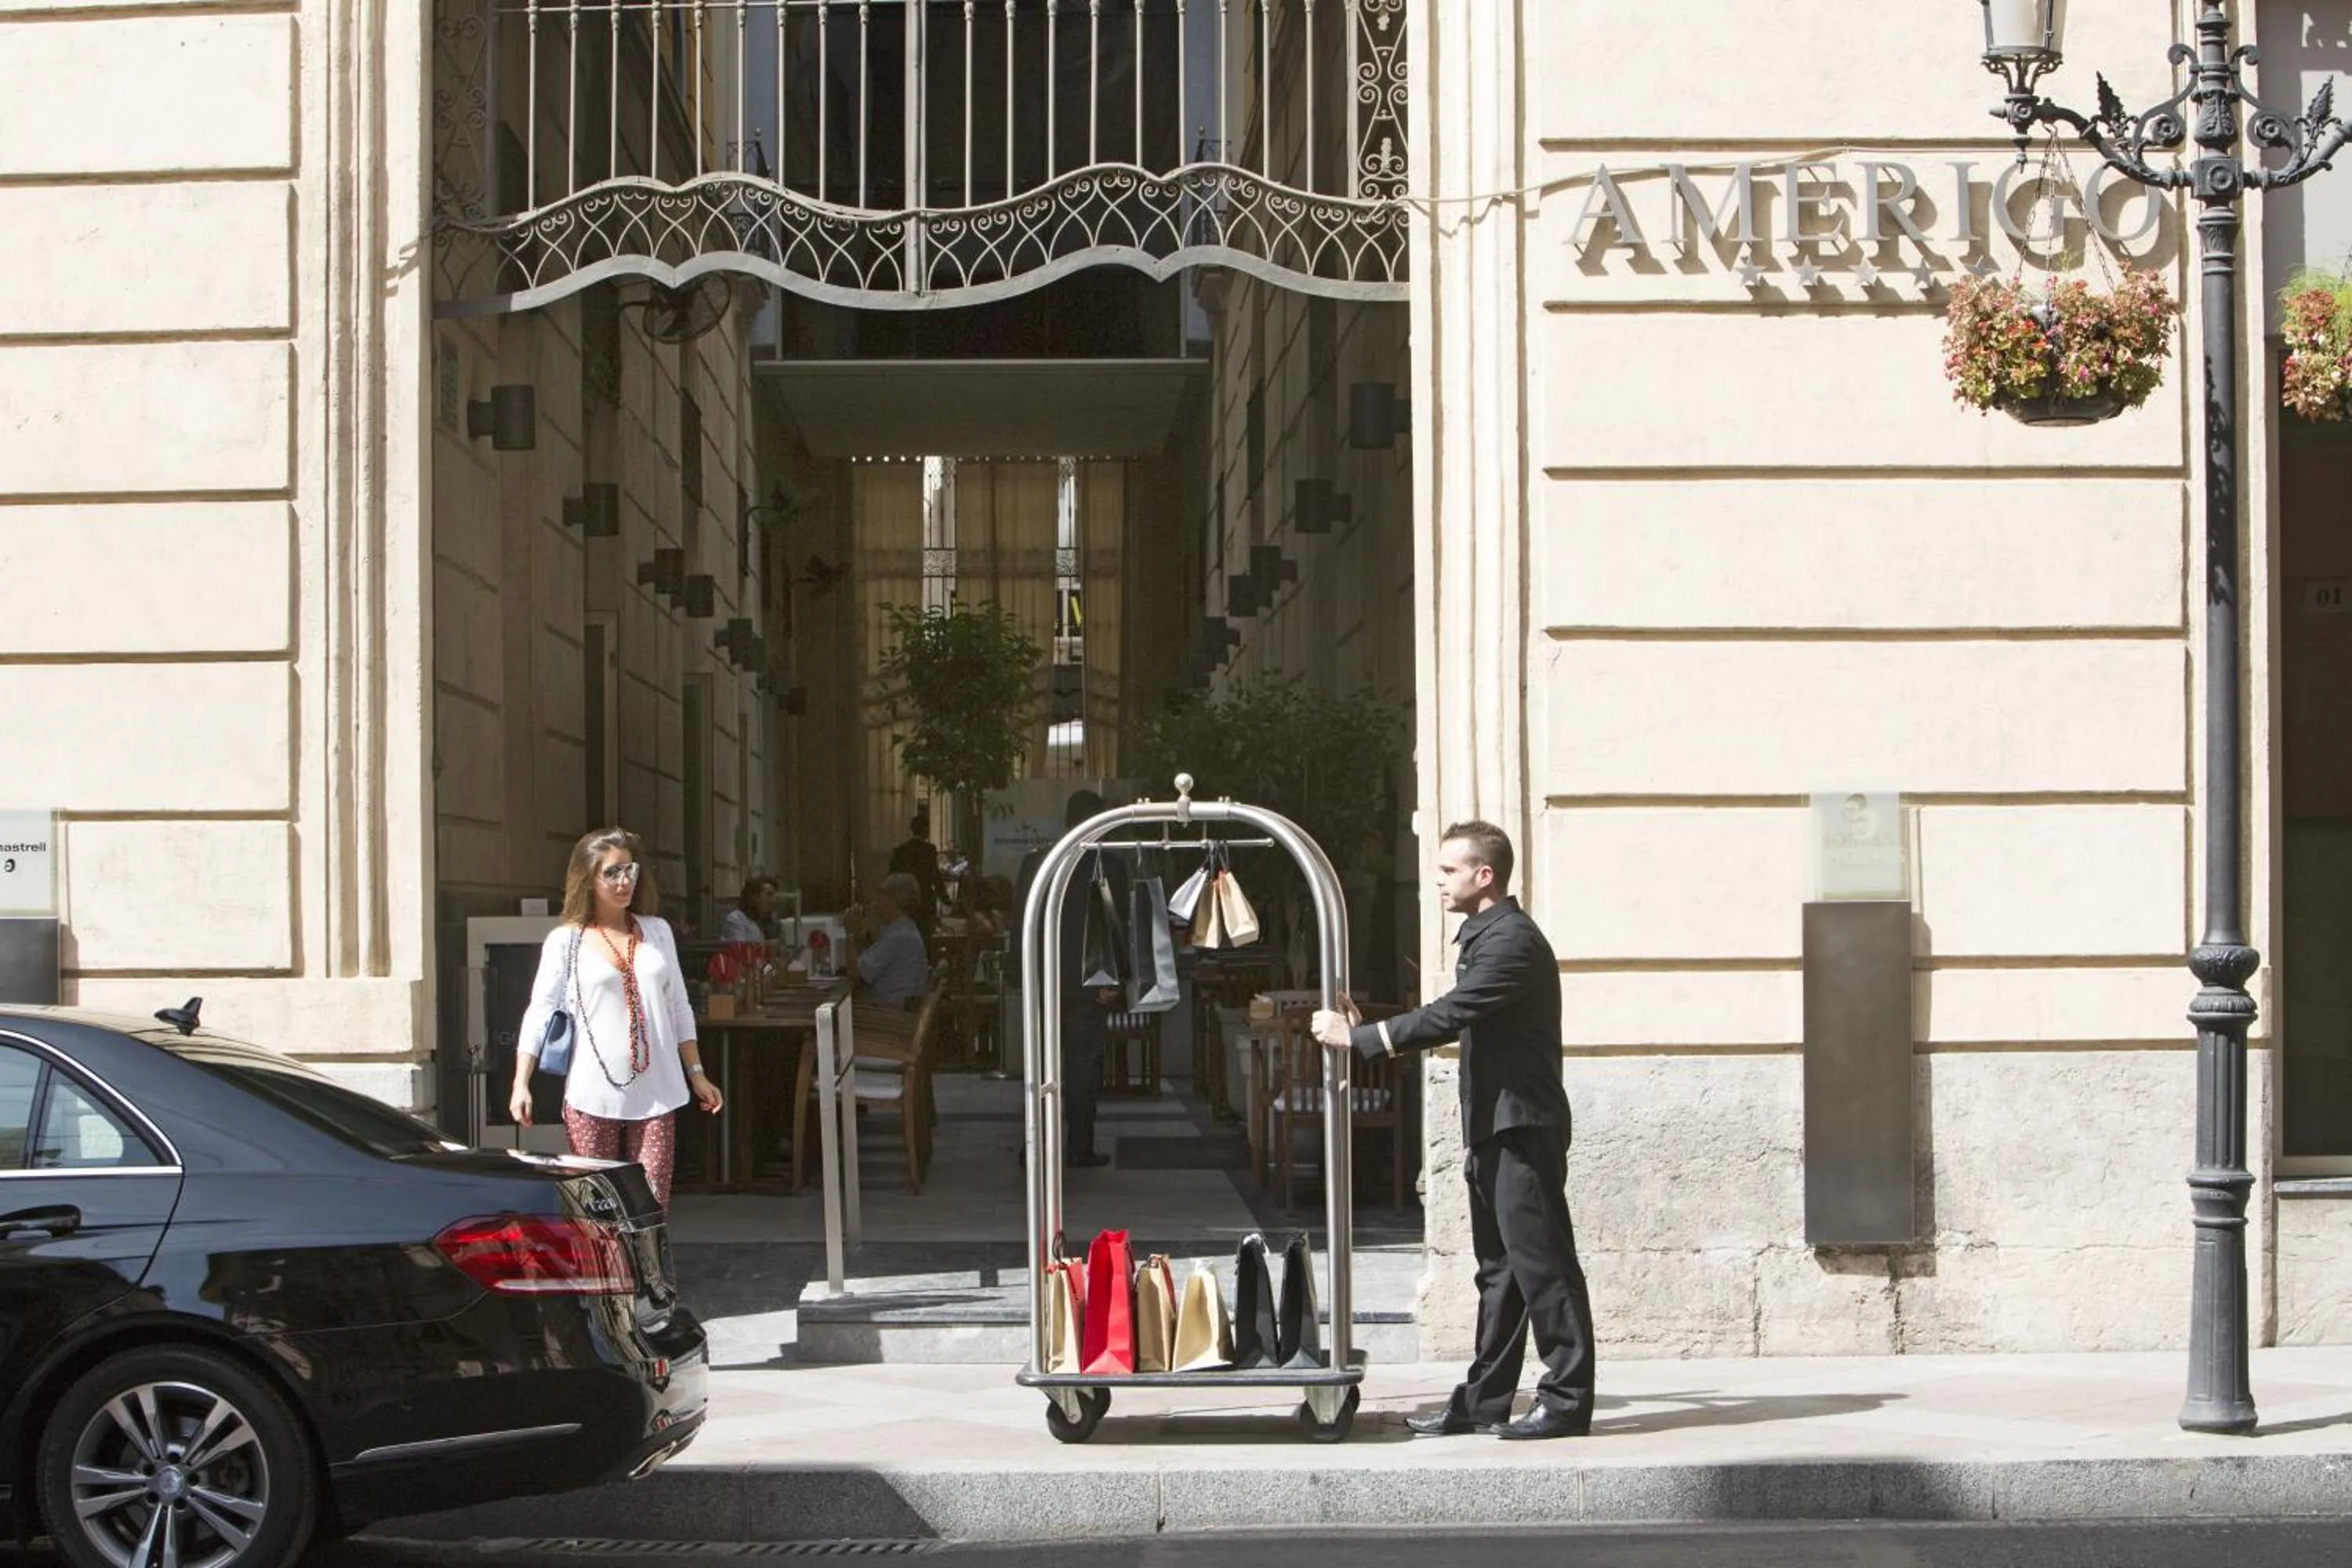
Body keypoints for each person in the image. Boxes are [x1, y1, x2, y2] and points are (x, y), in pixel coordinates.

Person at [1311, 820, 1595, 1440]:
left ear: (1483, 876)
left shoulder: (1511, 941)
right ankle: (1485, 1401)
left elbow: (1451, 1014)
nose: (1438, 882)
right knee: (1500, 1273)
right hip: (1495, 1129)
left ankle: (1567, 1401)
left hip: (1521, 1129)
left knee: (1543, 1267)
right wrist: (1373, 1026)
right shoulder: (1488, 938)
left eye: (1448, 871)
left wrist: (1360, 1039)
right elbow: (1459, 1014)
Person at [512, 826, 724, 1210]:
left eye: (630, 870)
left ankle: (648, 1273)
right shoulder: (566, 940)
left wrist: (697, 1073)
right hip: (592, 1092)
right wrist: (521, 1083)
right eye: (611, 872)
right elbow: (540, 1011)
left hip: (658, 1091)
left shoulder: (657, 932)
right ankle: (607, 1273)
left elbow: (679, 1005)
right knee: (597, 1208)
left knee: (652, 1205)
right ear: (588, 878)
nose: (624, 881)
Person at [1014, 789, 1123, 1169]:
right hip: (1090, 984)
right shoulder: (1108, 865)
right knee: (1082, 1067)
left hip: (1042, 982)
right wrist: (1115, 981)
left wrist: (1019, 977)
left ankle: (1033, 1145)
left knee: (1041, 1066)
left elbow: (1020, 926)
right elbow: (1115, 929)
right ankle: (1079, 1146)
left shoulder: (1036, 863)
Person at [849, 877, 930, 1010]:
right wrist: (858, 936)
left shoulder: (898, 936)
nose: (875, 900)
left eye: (881, 894)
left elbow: (855, 973)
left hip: (890, 1010)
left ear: (893, 900)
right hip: (893, 1005)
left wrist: (850, 934)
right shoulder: (903, 928)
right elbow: (866, 962)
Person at [887, 809, 944, 935]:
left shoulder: (900, 851)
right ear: (925, 830)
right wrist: (945, 898)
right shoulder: (929, 850)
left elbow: (891, 876)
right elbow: (935, 876)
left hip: (905, 902)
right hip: (925, 900)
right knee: (925, 936)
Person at [720, 874, 777, 946]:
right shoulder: (735, 920)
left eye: (774, 896)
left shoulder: (763, 923)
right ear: (754, 897)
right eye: (769, 895)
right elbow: (739, 950)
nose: (773, 900)